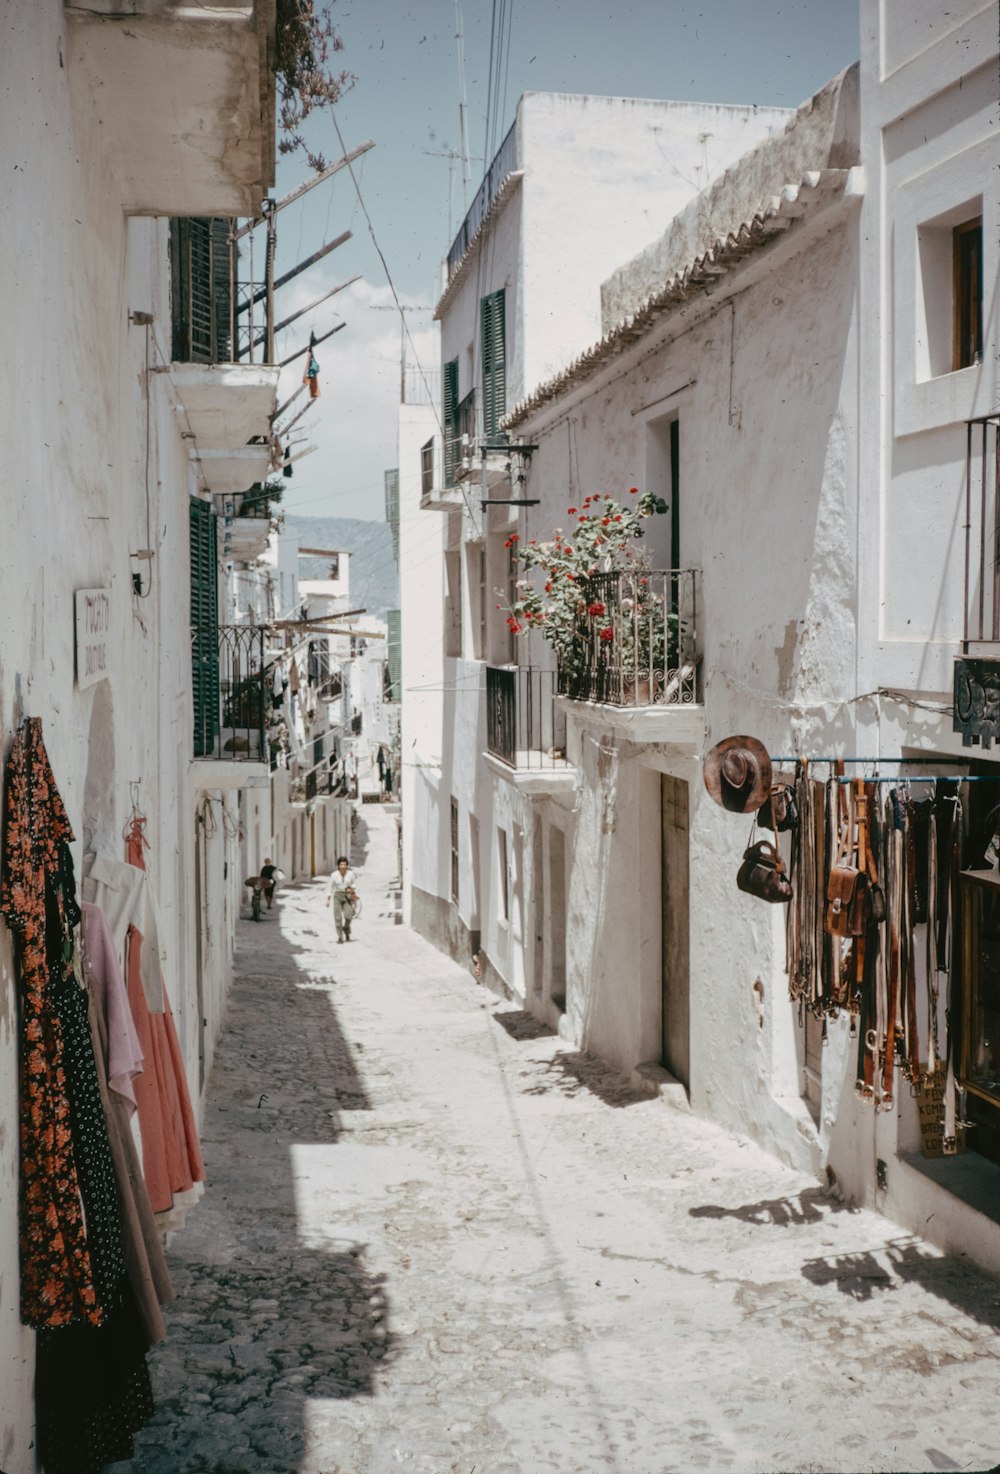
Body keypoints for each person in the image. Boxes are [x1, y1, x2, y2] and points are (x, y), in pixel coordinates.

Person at [328, 855, 358, 943]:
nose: (343, 866)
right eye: (341, 865)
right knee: (337, 918)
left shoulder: (351, 874)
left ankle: (346, 929)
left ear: (347, 865)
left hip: (347, 896)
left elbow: (354, 884)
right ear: (338, 865)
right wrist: (328, 899)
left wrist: (352, 892)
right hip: (337, 895)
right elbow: (330, 887)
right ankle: (340, 937)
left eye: (345, 864)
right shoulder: (334, 875)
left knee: (348, 916)